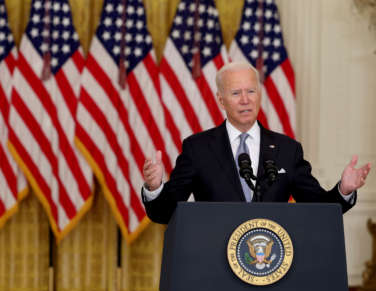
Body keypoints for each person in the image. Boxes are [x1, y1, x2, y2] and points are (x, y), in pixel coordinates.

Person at [141, 61, 371, 224]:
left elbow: (319, 209)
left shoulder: (287, 150)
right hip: (213, 265)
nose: (245, 100)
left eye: (251, 91)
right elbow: (164, 212)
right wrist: (155, 187)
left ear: (260, 94)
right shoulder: (198, 148)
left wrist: (344, 189)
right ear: (221, 100)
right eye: (235, 93)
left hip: (272, 264)